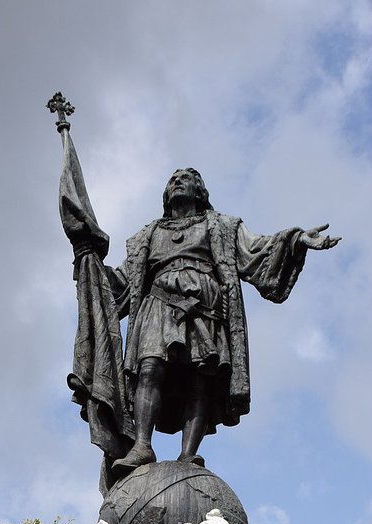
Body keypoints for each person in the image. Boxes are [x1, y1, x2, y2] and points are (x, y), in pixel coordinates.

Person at [103, 168, 340, 478]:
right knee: (149, 368)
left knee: (200, 378)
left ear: (201, 193)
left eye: (187, 178)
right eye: (173, 179)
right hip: (157, 305)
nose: (178, 181)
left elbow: (257, 250)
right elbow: (120, 283)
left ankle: (189, 454)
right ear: (165, 195)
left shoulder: (223, 227)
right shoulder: (145, 237)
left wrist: (295, 240)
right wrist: (91, 264)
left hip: (205, 310)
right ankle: (142, 446)